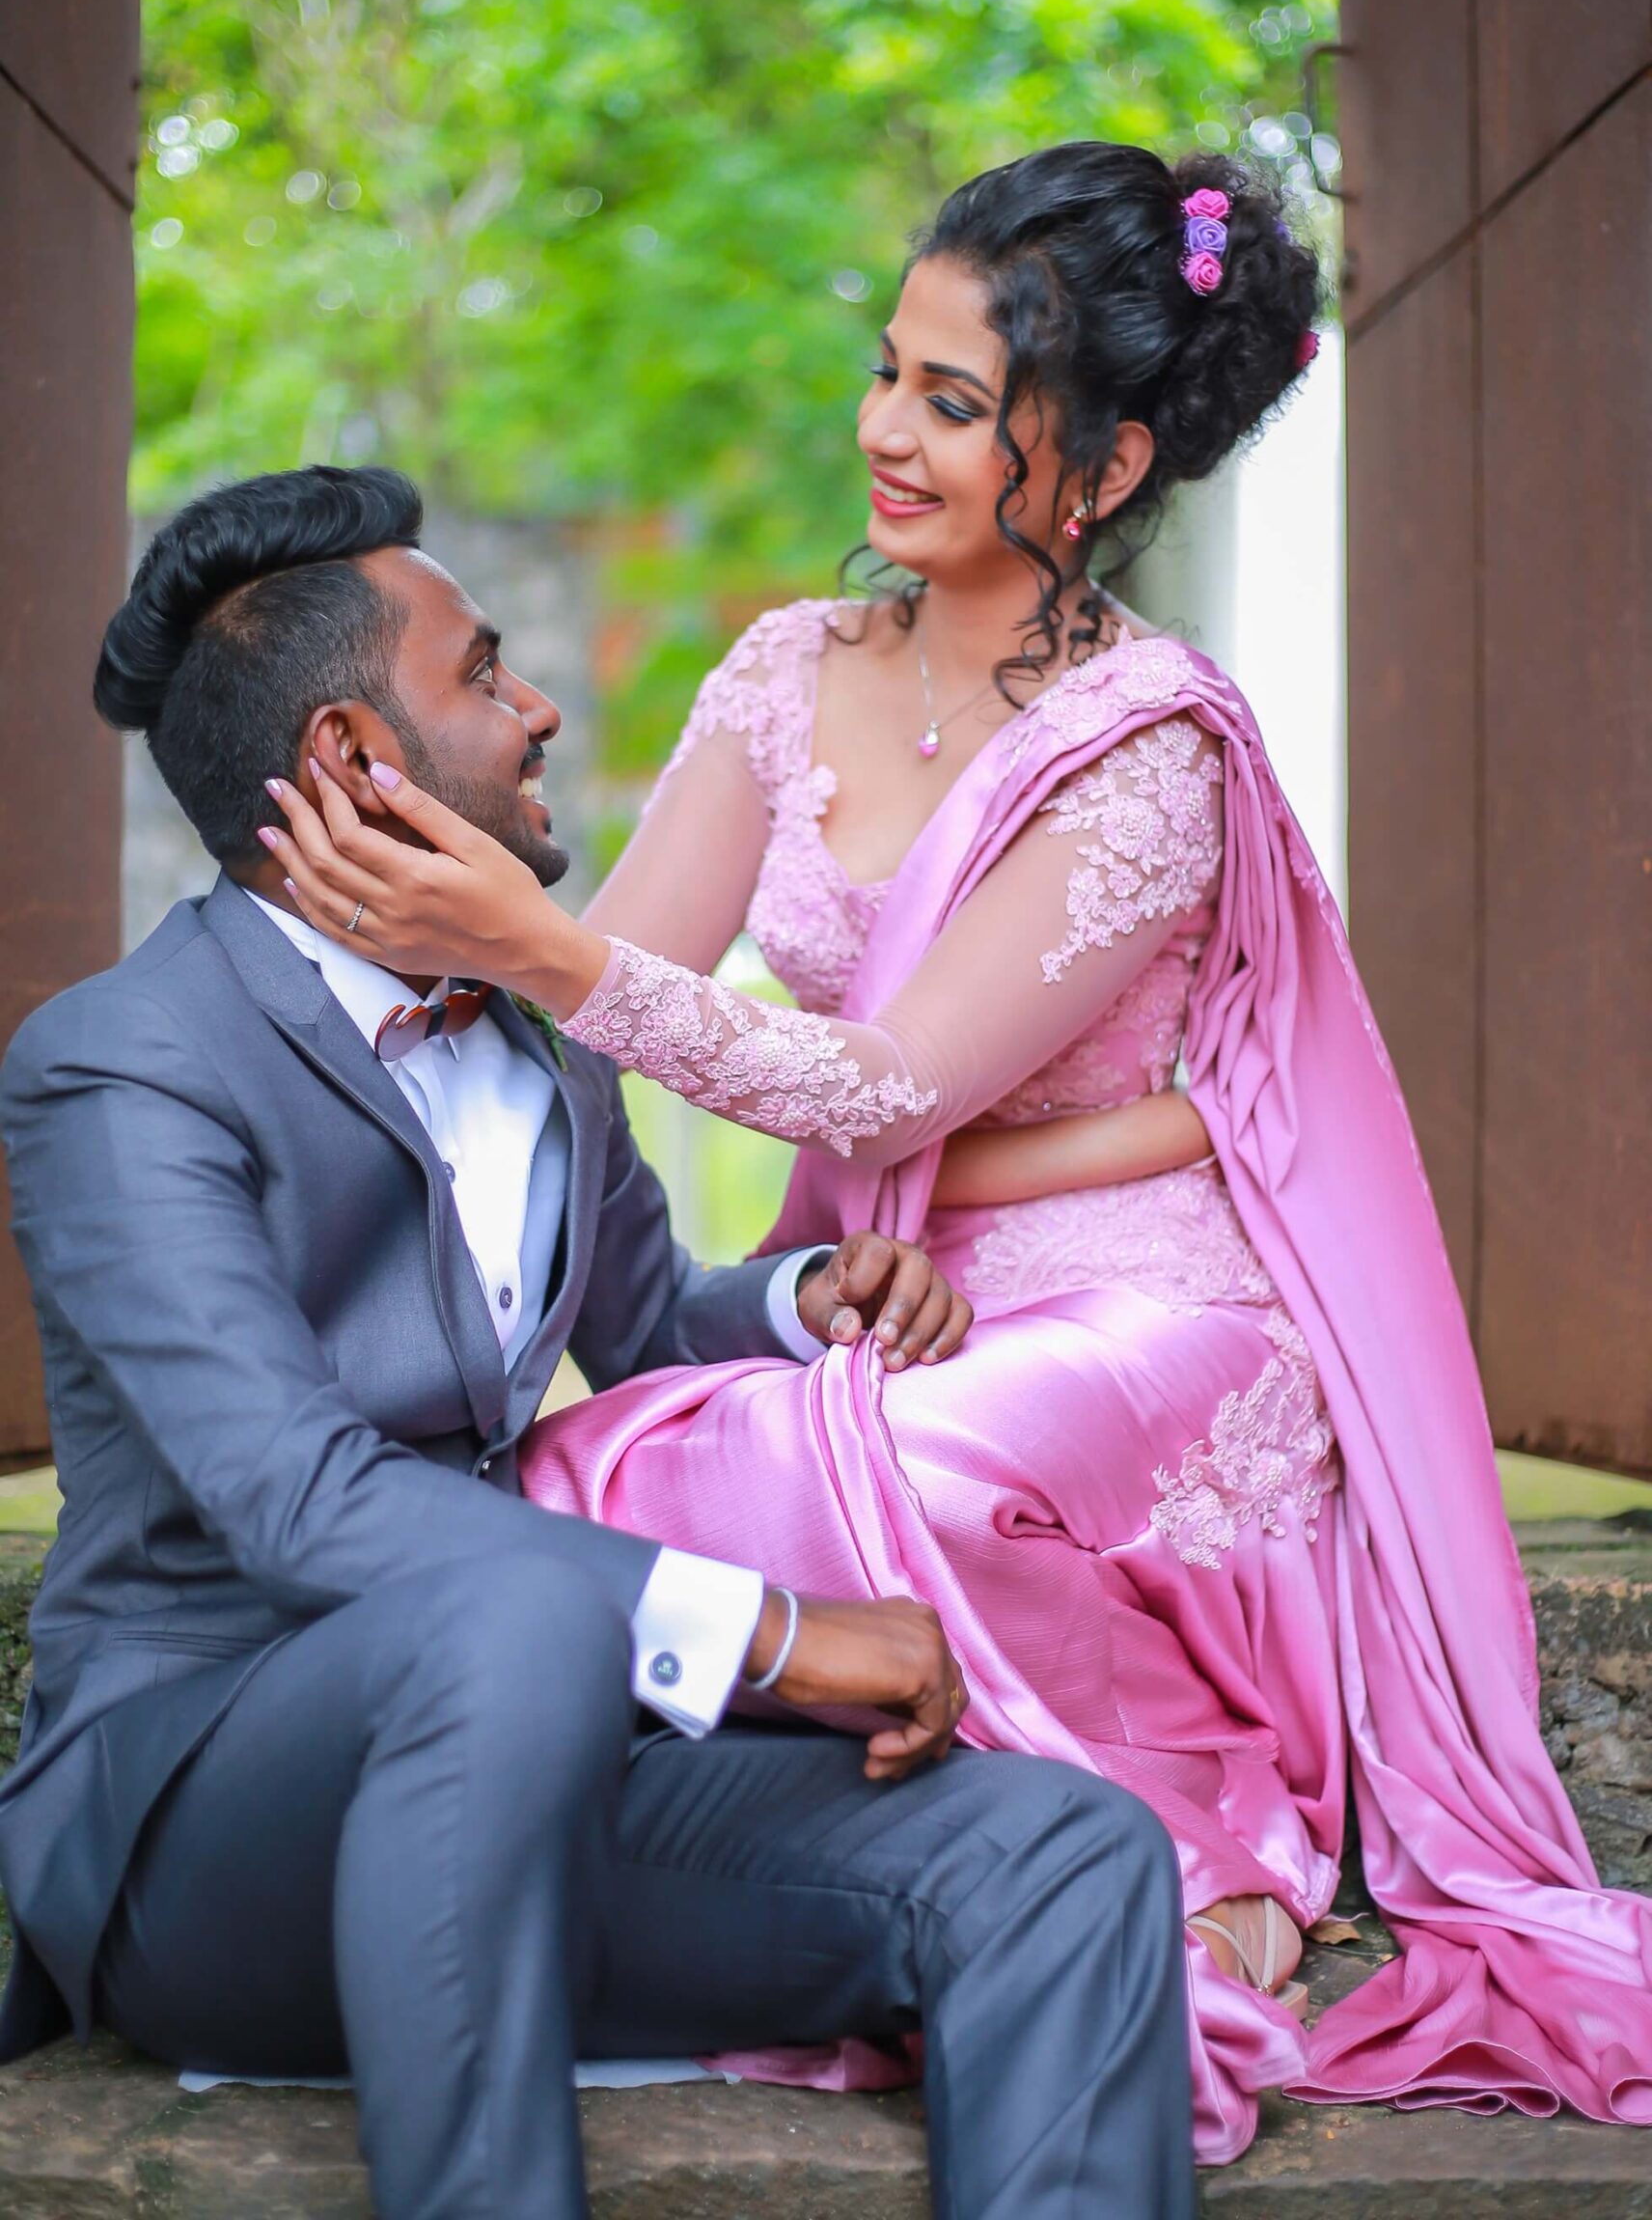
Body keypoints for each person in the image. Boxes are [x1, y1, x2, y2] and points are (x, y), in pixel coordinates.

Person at [262, 143, 1652, 2165]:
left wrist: (539, 948)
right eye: (886, 370)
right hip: (905, 1294)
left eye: (950, 400)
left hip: (1156, 1320)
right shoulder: (784, 672)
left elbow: (885, 1085)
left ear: (1092, 468)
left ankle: (1197, 1827)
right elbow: (617, 980)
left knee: (863, 1458)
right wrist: (376, 935)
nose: (880, 433)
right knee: (582, 1464)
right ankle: (881, 1874)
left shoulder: (1148, 745)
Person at [0, 464, 1199, 2220]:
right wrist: (775, 1635)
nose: (539, 704)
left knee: (1055, 1852)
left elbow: (641, 1333)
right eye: (484, 675)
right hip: (206, 1830)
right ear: (350, 758)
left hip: (537, 1768)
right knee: (502, 1599)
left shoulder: (548, 1036)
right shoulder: (125, 1063)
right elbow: (296, 1496)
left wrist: (800, 1304)